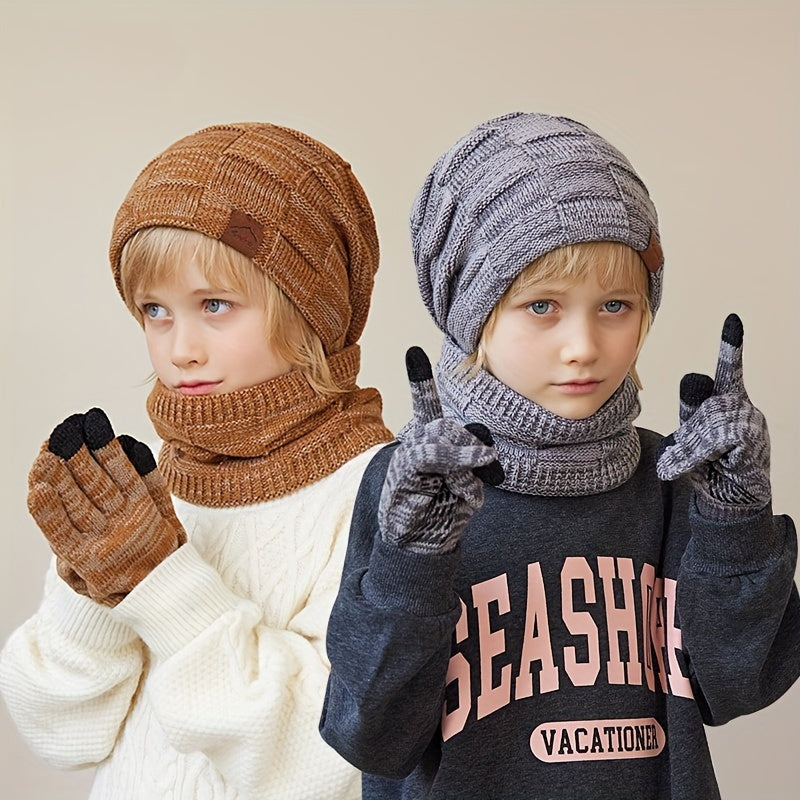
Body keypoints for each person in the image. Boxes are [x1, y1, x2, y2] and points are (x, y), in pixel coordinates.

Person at [319, 112, 800, 799]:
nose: (583, 345)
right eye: (542, 305)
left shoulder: (668, 479)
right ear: (469, 312)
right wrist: (412, 563)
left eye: (615, 306)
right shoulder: (414, 489)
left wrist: (737, 521)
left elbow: (740, 684)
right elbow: (372, 736)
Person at [0, 122, 393, 799]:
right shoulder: (143, 488)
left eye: (215, 305)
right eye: (156, 310)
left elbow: (319, 757)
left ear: (313, 305)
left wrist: (157, 580)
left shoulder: (379, 492)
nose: (180, 348)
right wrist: (95, 585)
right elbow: (61, 731)